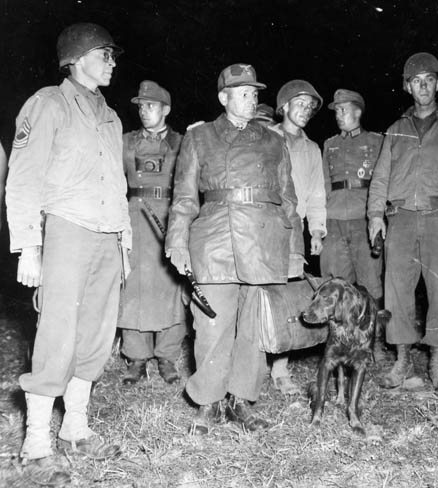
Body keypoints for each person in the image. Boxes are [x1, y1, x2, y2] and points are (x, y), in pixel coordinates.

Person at [5, 23, 130, 485]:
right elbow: (22, 179)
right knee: (56, 335)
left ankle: (76, 429)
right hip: (66, 232)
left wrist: (125, 242)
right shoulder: (47, 103)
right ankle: (36, 444)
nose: (112, 61)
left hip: (106, 237)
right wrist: (28, 248)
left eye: (113, 55)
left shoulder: (111, 116)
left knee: (95, 336)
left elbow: (116, 186)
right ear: (77, 58)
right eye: (105, 53)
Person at [165, 63, 303, 434]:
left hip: (263, 240)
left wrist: (295, 250)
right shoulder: (199, 138)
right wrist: (177, 241)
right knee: (211, 325)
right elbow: (183, 199)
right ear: (223, 97)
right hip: (215, 241)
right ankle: (208, 404)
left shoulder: (274, 141)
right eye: (242, 92)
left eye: (254, 92)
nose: (251, 98)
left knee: (254, 327)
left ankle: (242, 401)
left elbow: (289, 199)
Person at [368, 52, 438, 390]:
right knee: (397, 290)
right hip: (400, 216)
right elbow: (380, 179)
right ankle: (403, 361)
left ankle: (437, 361)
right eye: (416, 81)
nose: (423, 86)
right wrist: (375, 214)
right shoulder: (395, 131)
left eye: (429, 79)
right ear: (407, 87)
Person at [119, 81, 186, 385]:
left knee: (172, 289)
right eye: (141, 106)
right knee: (133, 287)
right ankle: (136, 357)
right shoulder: (126, 142)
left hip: (169, 218)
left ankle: (167, 356)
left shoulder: (183, 142)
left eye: (151, 106)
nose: (144, 111)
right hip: (135, 216)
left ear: (166, 110)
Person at [269, 80, 327, 395]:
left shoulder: (311, 148)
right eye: (299, 104)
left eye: (310, 107)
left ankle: (280, 368)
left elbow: (317, 193)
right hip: (264, 223)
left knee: (290, 296)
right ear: (284, 107)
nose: (304, 111)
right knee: (261, 292)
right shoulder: (265, 136)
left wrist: (317, 229)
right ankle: (252, 360)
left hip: (296, 227)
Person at [320, 89, 386, 359]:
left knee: (370, 283)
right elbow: (324, 182)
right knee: (336, 281)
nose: (338, 115)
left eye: (343, 110)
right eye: (336, 111)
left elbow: (383, 181)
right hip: (334, 217)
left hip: (363, 216)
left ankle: (375, 342)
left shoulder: (377, 141)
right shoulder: (329, 144)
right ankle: (339, 342)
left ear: (358, 111)